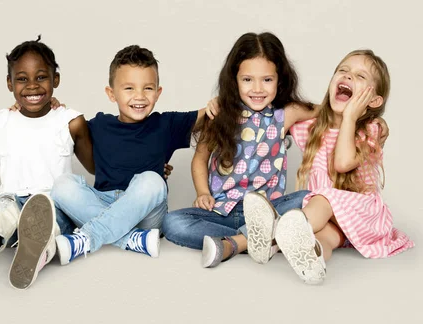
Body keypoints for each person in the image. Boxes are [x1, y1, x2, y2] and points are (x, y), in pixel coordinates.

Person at [161, 32, 319, 268]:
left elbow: (328, 111)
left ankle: (238, 242)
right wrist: (203, 192)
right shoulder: (220, 114)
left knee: (314, 200)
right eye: (247, 80)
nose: (257, 88)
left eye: (267, 80)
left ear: (280, 80)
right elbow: (200, 158)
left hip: (269, 209)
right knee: (172, 223)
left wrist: (375, 119)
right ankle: (260, 238)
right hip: (221, 211)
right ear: (234, 79)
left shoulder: (287, 113)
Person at [50, 45, 215, 265]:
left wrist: (218, 103)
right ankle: (132, 240)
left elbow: (211, 114)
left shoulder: (166, 124)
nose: (139, 96)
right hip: (104, 203)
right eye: (129, 88)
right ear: (111, 94)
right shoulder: (99, 125)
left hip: (148, 214)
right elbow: (62, 126)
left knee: (153, 181)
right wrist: (51, 106)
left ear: (158, 92)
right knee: (62, 185)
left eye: (148, 88)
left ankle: (88, 238)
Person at [263, 49, 414, 284]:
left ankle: (276, 234)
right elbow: (279, 114)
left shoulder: (369, 130)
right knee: (324, 237)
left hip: (363, 215)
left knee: (322, 198)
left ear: (373, 101)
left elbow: (343, 163)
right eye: (342, 71)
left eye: (360, 76)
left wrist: (351, 117)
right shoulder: (311, 128)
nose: (348, 76)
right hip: (336, 223)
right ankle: (314, 260)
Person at [0, 37, 93, 289]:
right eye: (22, 79)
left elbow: (97, 167)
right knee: (2, 213)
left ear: (56, 80)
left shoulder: (70, 121)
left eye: (41, 77)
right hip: (11, 197)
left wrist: (142, 165)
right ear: (10, 83)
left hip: (53, 202)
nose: (32, 86)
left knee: (51, 223)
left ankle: (37, 251)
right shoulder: (1, 122)